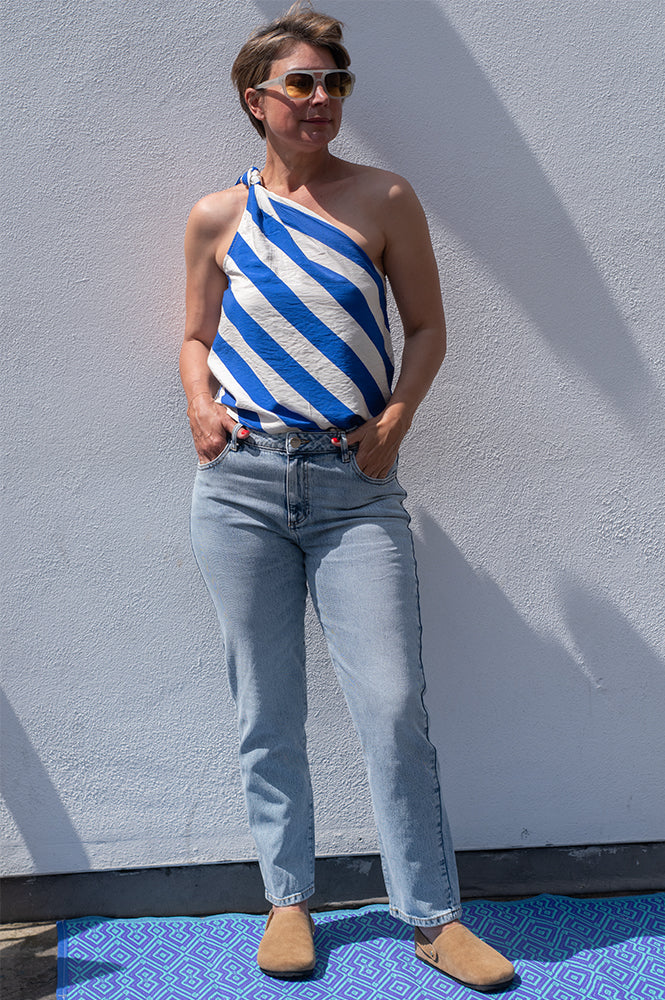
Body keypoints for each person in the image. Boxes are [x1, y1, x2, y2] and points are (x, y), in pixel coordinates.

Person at [180, 2, 514, 991]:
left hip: (352, 488)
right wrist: (199, 406)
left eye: (335, 82)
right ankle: (288, 900)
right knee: (266, 704)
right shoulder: (216, 217)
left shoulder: (384, 198)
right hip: (240, 487)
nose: (321, 98)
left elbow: (426, 327)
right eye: (301, 83)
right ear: (257, 100)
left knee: (393, 703)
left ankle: (432, 916)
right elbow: (194, 335)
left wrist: (397, 419)